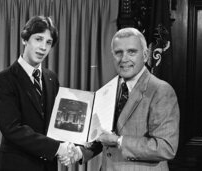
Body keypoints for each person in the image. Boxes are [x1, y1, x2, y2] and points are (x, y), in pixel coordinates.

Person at [61, 27, 180, 171]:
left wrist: (119, 141)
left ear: (145, 55)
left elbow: (165, 147)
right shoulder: (109, 89)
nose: (124, 59)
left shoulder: (161, 90)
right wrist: (80, 152)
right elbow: (104, 135)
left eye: (131, 52)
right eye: (118, 53)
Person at [0, 16, 73, 171]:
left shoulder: (51, 78)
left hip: (47, 165)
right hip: (17, 165)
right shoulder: (4, 79)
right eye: (38, 39)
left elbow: (56, 123)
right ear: (25, 40)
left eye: (48, 42)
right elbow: (12, 129)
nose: (43, 47)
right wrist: (56, 148)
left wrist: (71, 145)